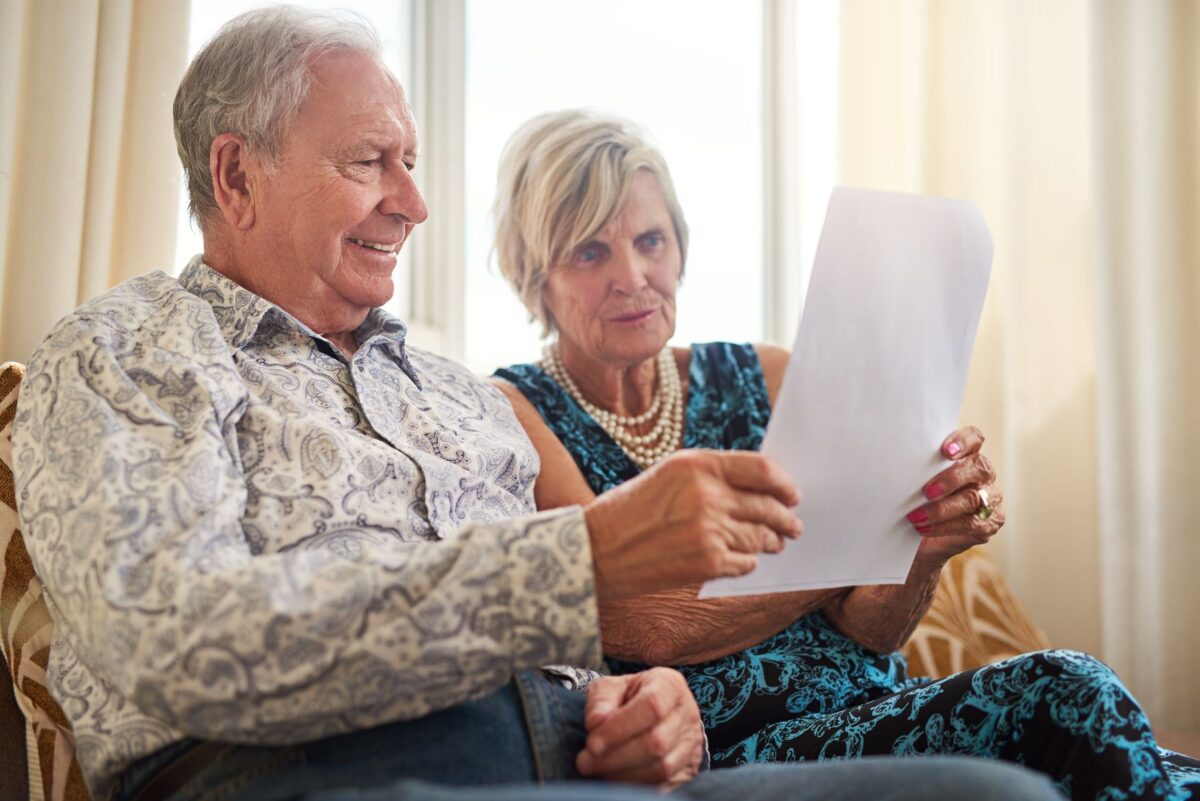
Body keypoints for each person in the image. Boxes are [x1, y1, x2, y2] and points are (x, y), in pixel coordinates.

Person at [9, 7, 1067, 801]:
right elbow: (177, 644)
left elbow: (593, 644)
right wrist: (586, 560)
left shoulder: (459, 400)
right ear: (236, 176)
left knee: (989, 791)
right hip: (311, 774)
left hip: (575, 769)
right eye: (371, 163)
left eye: (413, 164)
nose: (415, 204)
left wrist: (645, 707)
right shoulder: (126, 355)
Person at [490, 109, 1200, 801]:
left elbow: (870, 625)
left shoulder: (767, 374)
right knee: (1068, 686)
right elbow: (634, 617)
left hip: (882, 705)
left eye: (651, 240)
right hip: (739, 747)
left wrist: (925, 539)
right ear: (535, 274)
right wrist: (841, 550)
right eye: (591, 251)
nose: (633, 275)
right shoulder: (514, 411)